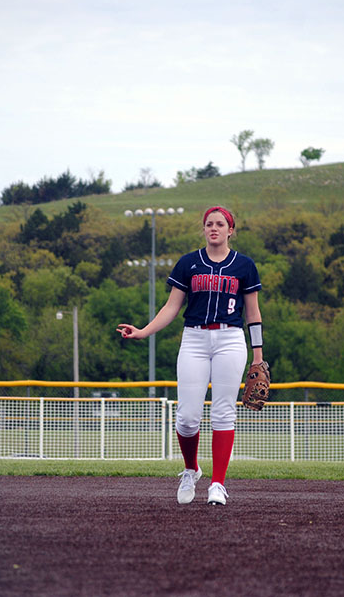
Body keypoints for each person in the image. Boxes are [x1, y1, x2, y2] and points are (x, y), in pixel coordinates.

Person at [117, 206, 263, 505]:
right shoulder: (188, 263)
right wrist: (144, 331)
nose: (214, 228)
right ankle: (190, 469)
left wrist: (258, 356)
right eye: (209, 223)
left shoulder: (244, 265)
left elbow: (253, 313)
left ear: (230, 229)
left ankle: (218, 484)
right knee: (186, 417)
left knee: (223, 412)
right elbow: (172, 307)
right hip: (194, 337)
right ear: (204, 228)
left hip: (230, 338)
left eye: (220, 224)